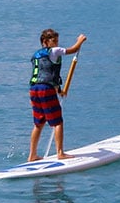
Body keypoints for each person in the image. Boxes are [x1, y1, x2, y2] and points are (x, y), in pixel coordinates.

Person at [28, 28, 87, 161]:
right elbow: (73, 50)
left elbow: (46, 75)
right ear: (45, 42)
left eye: (57, 41)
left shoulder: (36, 55)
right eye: (54, 41)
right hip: (45, 90)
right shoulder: (54, 51)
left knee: (39, 123)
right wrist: (80, 41)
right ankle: (60, 153)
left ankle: (32, 155)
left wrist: (60, 91)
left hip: (34, 89)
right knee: (58, 122)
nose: (56, 44)